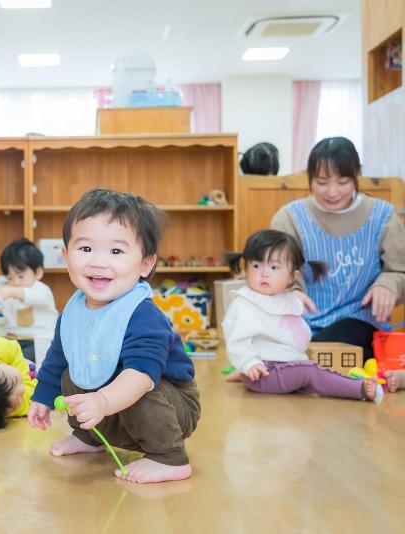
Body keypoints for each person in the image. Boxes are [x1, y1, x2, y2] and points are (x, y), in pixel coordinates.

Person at [28, 189, 200, 484]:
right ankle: (88, 437)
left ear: (145, 264)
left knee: (138, 385)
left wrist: (103, 402)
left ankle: (169, 457)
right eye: (85, 249)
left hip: (169, 407)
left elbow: (141, 376)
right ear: (66, 256)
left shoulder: (142, 315)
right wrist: (43, 397)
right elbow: (58, 356)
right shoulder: (73, 311)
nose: (98, 262)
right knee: (72, 373)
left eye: (116, 252)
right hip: (113, 408)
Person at [270, 137, 405, 371]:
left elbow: (399, 268)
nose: (332, 192)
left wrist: (389, 283)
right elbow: (273, 269)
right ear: (310, 178)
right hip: (298, 320)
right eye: (321, 182)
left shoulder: (382, 216)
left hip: (358, 322)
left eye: (343, 182)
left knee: (335, 345)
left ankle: (292, 366)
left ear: (356, 176)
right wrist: (292, 292)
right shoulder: (289, 218)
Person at [223, 229, 384, 403]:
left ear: (292, 276)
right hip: (265, 372)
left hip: (283, 367)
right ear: (245, 269)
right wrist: (248, 363)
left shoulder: (286, 300)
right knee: (311, 372)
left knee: (317, 375)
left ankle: (350, 384)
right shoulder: (244, 304)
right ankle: (359, 389)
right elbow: (236, 340)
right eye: (256, 265)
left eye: (274, 267)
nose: (264, 273)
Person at [0, 238, 58, 362]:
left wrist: (11, 291)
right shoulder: (9, 292)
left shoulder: (42, 290)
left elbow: (34, 297)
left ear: (37, 273)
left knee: (19, 359)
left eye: (20, 276)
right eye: (10, 278)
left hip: (39, 342)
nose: (15, 282)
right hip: (13, 340)